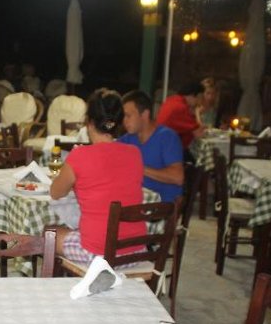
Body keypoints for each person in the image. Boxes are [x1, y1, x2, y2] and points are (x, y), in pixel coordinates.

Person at [50, 89, 146, 267]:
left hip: (98, 256)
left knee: (49, 234)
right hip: (135, 252)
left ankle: (66, 283)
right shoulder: (135, 153)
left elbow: (55, 192)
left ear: (89, 122)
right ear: (118, 122)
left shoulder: (79, 156)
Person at [118, 90, 184, 203]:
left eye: (128, 116)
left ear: (145, 114)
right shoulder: (128, 139)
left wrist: (139, 168)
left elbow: (178, 177)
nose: (124, 121)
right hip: (137, 200)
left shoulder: (167, 137)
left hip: (162, 205)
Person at [156, 81, 205, 149]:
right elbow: (199, 134)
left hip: (161, 142)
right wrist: (197, 113)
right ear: (192, 95)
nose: (199, 102)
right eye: (200, 98)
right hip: (168, 148)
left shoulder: (172, 100)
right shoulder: (181, 107)